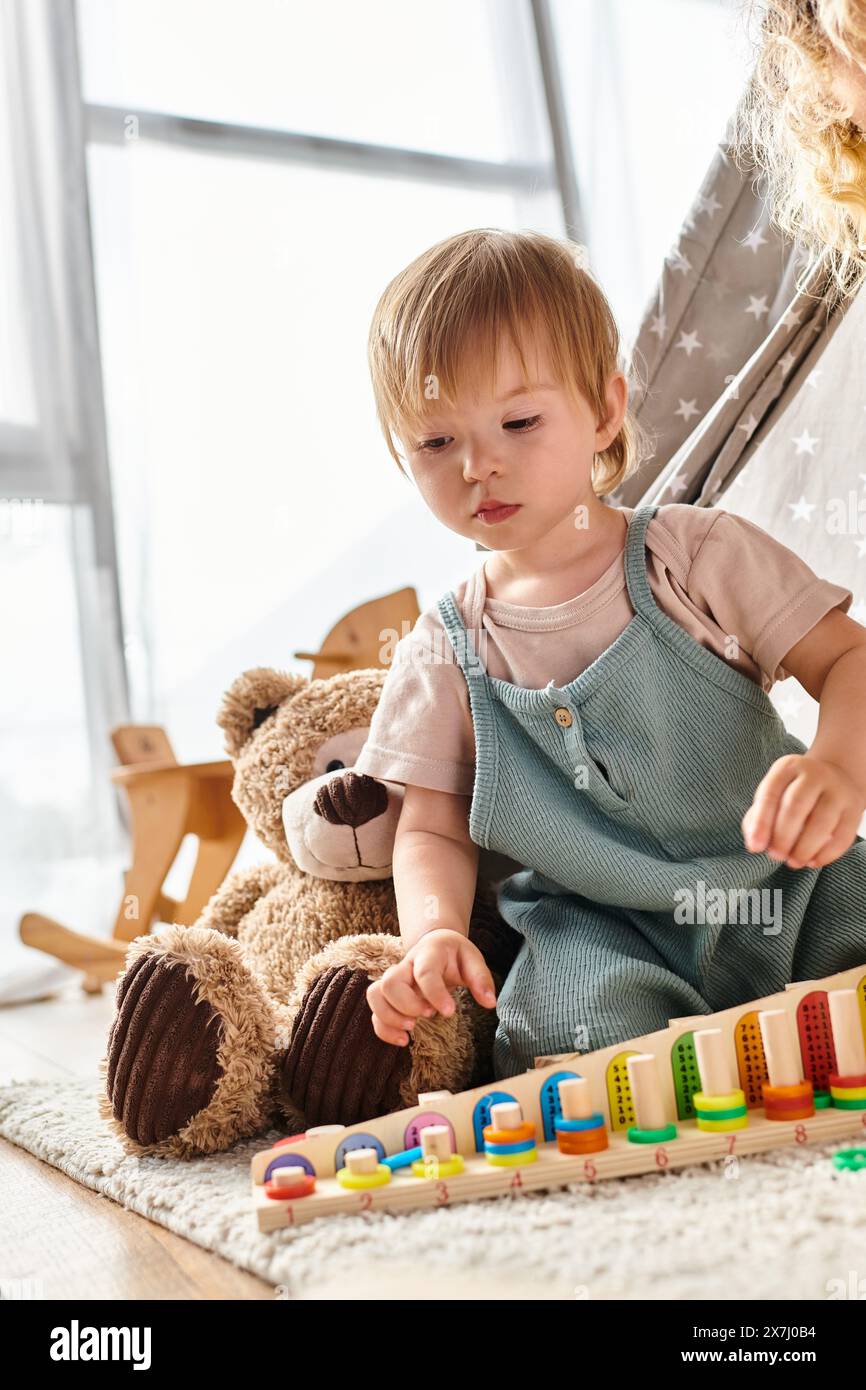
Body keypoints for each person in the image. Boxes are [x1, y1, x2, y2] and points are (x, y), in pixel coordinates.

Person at [356, 225, 866, 1079]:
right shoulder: (442, 647)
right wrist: (435, 930)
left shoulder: (693, 555)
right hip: (607, 934)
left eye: (519, 421)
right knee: (566, 1043)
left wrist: (841, 768)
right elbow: (431, 821)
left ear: (603, 411)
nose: (479, 464)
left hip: (794, 887)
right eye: (436, 443)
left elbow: (848, 660)